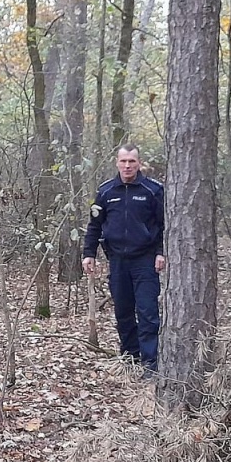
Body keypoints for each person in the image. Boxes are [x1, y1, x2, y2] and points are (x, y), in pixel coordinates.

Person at [82, 144, 165, 376]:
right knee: (123, 312)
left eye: (132, 161)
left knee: (148, 312)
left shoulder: (153, 190)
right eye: (123, 161)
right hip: (117, 260)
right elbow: (95, 225)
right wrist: (88, 254)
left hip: (146, 261)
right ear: (117, 162)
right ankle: (129, 358)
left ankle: (150, 365)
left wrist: (161, 251)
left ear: (139, 163)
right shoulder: (106, 191)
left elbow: (164, 225)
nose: (127, 165)